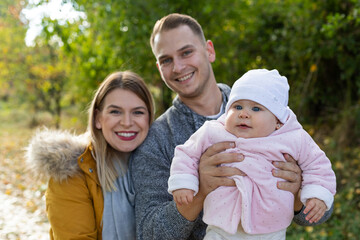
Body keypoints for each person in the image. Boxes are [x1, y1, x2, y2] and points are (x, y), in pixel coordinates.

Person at [130, 13, 333, 240]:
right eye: (166, 60)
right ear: (159, 67)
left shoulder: (265, 104)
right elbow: (149, 233)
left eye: (186, 52)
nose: (177, 67)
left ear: (209, 51)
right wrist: (200, 190)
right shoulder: (155, 140)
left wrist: (297, 193)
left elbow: (318, 210)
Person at [168, 69, 336, 239]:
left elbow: (317, 165)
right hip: (221, 228)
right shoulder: (213, 132)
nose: (243, 113)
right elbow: (187, 153)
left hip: (271, 230)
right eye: (237, 106)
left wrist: (316, 194)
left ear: (277, 121)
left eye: (256, 108)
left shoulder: (293, 138)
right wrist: (184, 182)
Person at [26, 71, 154, 240]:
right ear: (97, 119)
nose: (127, 122)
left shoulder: (162, 165)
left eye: (138, 112)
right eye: (115, 112)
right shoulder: (72, 174)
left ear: (149, 119)